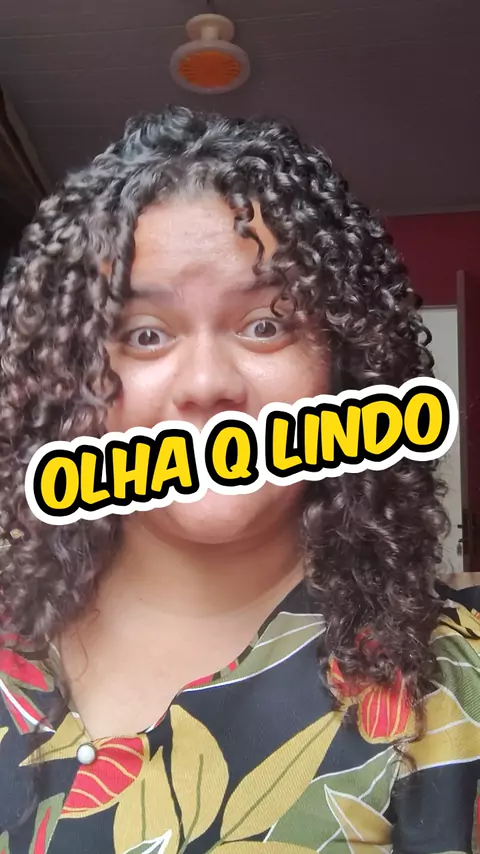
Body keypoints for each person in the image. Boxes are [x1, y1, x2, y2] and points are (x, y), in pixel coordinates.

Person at [0, 106, 479, 854]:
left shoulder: (456, 679)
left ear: (343, 369)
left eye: (265, 325)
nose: (206, 385)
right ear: (71, 381)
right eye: (145, 335)